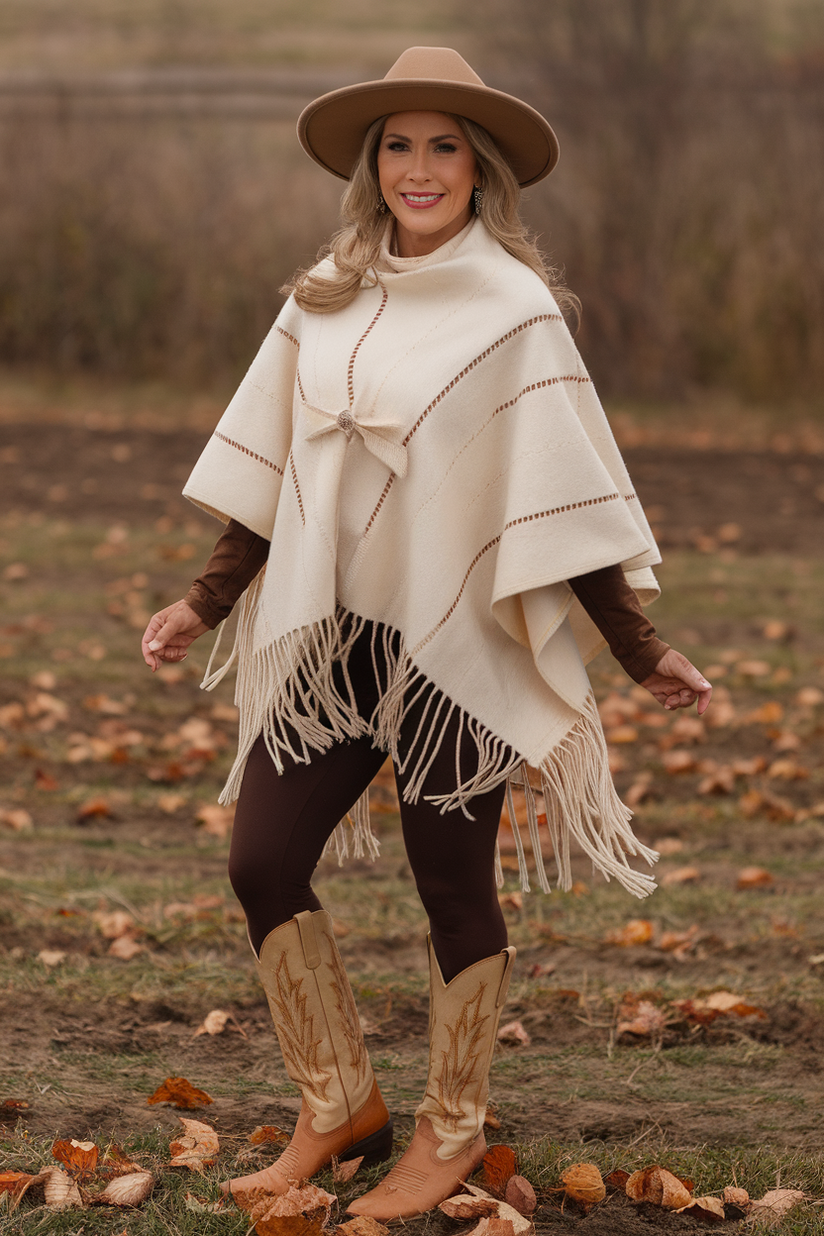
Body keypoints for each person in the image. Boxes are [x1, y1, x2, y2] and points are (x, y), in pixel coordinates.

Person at [140, 47, 712, 1220]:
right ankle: (339, 1104)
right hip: (337, 638)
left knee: (448, 883)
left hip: (461, 643)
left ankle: (449, 1132)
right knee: (260, 858)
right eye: (395, 146)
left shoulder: (515, 313)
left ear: (478, 165)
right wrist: (204, 598)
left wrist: (639, 647)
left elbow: (561, 494)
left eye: (442, 145)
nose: (417, 167)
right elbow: (277, 470)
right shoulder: (325, 296)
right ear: (370, 166)